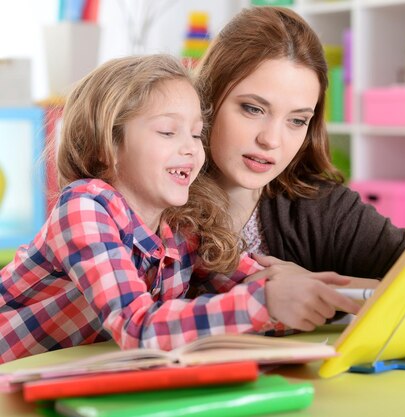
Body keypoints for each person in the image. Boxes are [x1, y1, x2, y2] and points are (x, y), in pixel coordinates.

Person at [0, 54, 359, 363]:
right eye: (169, 132)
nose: (191, 149)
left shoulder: (182, 228)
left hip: (64, 377)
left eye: (196, 133)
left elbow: (253, 282)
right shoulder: (85, 206)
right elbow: (137, 328)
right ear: (105, 146)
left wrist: (325, 294)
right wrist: (266, 301)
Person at [194, 6, 405, 330]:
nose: (271, 139)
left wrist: (326, 290)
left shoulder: (321, 209)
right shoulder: (156, 194)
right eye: (253, 109)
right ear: (208, 97)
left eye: (297, 120)